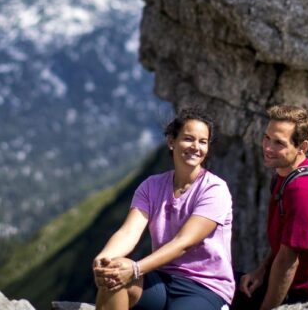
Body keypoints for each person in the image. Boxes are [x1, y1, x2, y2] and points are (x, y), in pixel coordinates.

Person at [93, 107, 235, 310]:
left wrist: (135, 269)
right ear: (171, 142)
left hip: (204, 287)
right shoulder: (151, 186)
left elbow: (183, 243)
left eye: (203, 142)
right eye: (188, 139)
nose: (196, 147)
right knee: (113, 278)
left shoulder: (214, 189)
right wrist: (103, 260)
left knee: (123, 273)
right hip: (162, 278)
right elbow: (128, 232)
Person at [233, 105, 308, 309]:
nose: (268, 147)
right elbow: (284, 245)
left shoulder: (304, 190)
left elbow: (288, 262)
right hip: (281, 283)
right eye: (266, 138)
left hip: (302, 295)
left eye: (279, 143)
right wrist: (261, 271)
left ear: (302, 147)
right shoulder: (286, 175)